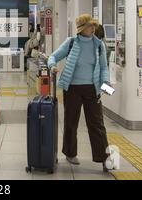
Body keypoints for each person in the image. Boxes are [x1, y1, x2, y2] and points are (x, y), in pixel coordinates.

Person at [47, 14, 111, 172]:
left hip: (92, 88)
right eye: (90, 26)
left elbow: (103, 67)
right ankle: (70, 152)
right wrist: (52, 66)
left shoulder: (98, 45)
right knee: (70, 122)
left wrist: (106, 83)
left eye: (94, 26)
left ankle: (104, 158)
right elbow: (53, 56)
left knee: (97, 124)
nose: (93, 28)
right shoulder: (71, 42)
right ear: (82, 28)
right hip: (72, 88)